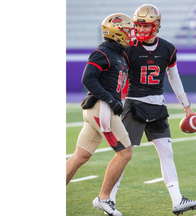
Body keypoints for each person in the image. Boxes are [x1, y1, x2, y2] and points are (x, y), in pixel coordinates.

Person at [106, 4, 196, 216]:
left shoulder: (168, 49)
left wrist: (186, 106)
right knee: (123, 155)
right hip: (134, 105)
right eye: (138, 26)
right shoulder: (129, 48)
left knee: (167, 153)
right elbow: (118, 76)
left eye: (146, 26)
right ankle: (109, 200)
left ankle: (178, 200)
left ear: (156, 25)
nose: (140, 30)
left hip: (158, 106)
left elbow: (174, 77)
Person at [66, 13, 135, 215]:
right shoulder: (103, 52)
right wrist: (111, 100)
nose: (130, 34)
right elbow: (88, 78)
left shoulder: (120, 54)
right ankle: (104, 198)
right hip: (102, 109)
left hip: (97, 111)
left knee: (81, 155)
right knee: (125, 152)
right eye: (127, 31)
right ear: (117, 32)